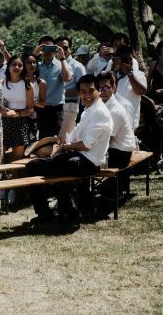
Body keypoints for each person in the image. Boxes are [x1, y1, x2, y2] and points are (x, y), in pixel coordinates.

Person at [26, 75, 113, 224]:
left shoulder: (99, 112)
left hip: (88, 163)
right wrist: (62, 145)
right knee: (40, 166)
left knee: (35, 167)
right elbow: (74, 136)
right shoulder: (88, 110)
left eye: (90, 91)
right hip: (79, 158)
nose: (86, 95)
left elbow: (86, 144)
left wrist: (65, 147)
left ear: (99, 91)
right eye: (82, 91)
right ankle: (65, 210)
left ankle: (59, 211)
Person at [33, 35, 72, 138]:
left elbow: (67, 78)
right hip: (38, 108)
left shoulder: (62, 65)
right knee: (38, 140)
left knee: (53, 140)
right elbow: (24, 71)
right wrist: (34, 55)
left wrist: (62, 57)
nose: (47, 51)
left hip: (55, 110)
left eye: (50, 47)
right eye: (44, 47)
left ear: (55, 48)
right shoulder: (36, 66)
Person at [97, 72, 136, 168]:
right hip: (111, 149)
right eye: (99, 88)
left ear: (113, 88)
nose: (102, 91)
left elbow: (104, 140)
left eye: (106, 87)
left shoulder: (115, 110)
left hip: (120, 153)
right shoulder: (99, 105)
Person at [1, 55, 34, 160]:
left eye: (20, 65)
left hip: (21, 122)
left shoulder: (27, 85)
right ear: (8, 66)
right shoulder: (2, 83)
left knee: (17, 158)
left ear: (23, 68)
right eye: (14, 64)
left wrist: (17, 114)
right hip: (4, 121)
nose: (17, 67)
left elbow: (30, 109)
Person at [147, 39, 163, 170]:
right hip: (155, 101)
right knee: (156, 130)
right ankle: (157, 159)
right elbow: (147, 83)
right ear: (159, 50)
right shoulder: (153, 65)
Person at [56, 36, 86, 142]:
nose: (62, 50)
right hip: (53, 107)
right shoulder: (54, 65)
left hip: (70, 107)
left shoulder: (78, 66)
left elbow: (83, 89)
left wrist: (61, 93)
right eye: (58, 48)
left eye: (64, 48)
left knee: (65, 140)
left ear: (70, 49)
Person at [110, 46, 147, 129]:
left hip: (129, 123)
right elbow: (103, 91)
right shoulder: (113, 75)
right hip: (111, 121)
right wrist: (112, 69)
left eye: (130, 59)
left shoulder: (139, 74)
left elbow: (140, 91)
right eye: (124, 59)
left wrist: (129, 73)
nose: (128, 62)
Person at [23, 51, 47, 142]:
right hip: (18, 115)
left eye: (34, 62)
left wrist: (33, 101)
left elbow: (43, 104)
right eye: (28, 62)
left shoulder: (41, 83)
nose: (32, 64)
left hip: (33, 117)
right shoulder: (19, 80)